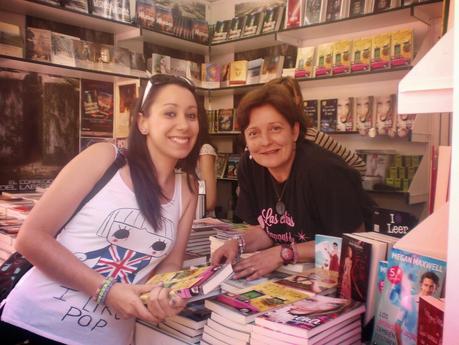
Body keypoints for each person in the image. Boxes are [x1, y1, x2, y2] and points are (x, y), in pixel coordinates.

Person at [0, 74, 207, 345]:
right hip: (33, 325)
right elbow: (31, 238)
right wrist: (107, 290)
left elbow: (170, 263)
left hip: (107, 337)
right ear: (142, 122)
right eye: (170, 113)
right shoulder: (105, 158)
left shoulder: (188, 188)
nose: (183, 125)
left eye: (191, 116)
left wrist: (164, 291)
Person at [211, 83, 375, 281]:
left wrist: (283, 253)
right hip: (297, 276)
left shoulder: (323, 170)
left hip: (348, 277)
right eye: (254, 133)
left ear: (295, 131)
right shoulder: (250, 165)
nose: (265, 141)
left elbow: (351, 244)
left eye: (275, 129)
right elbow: (269, 231)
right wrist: (237, 243)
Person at [266, 77, 366, 176]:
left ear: (296, 100)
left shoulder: (312, 136)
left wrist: (328, 187)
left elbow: (358, 165)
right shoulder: (263, 139)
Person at [394, 271, 439, 345]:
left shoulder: (435, 307)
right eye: (426, 285)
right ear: (421, 285)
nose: (427, 289)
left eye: (431, 287)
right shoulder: (408, 300)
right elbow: (397, 325)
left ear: (436, 288)